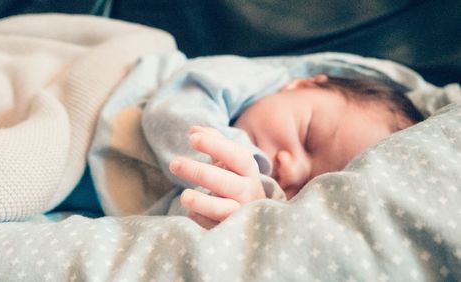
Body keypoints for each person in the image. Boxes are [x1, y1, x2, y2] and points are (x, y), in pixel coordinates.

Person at [163, 73, 424, 229]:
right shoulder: (223, 84)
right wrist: (239, 162)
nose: (292, 169)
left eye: (310, 186)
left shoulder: (264, 207)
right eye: (308, 136)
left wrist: (257, 205)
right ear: (302, 85)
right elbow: (175, 105)